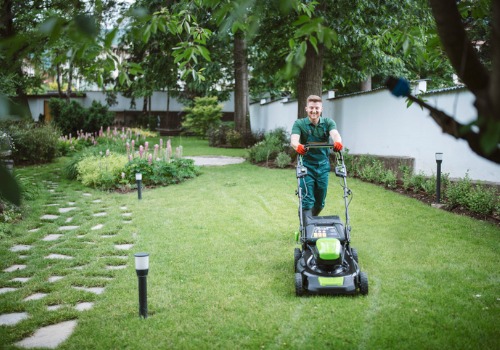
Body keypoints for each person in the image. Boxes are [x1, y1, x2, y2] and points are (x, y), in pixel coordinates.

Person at [290, 94, 343, 221]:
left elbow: (335, 134)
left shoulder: (328, 123)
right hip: (306, 166)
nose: (314, 111)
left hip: (323, 166)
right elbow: (294, 140)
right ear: (306, 108)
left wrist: (338, 142)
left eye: (317, 108)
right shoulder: (299, 124)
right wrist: (298, 146)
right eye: (311, 108)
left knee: (320, 203)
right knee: (308, 199)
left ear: (321, 109)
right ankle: (307, 227)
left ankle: (309, 221)